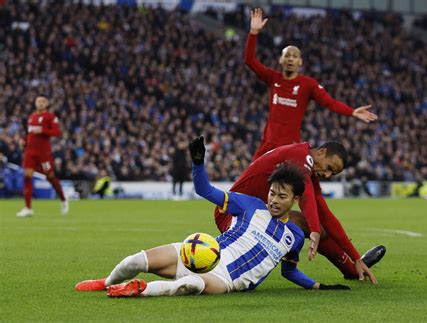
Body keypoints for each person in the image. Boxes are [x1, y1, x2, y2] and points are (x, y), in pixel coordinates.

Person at [75, 136, 349, 297]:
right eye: (272, 194)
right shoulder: (250, 204)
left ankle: (140, 289)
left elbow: (290, 271)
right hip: (204, 253)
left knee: (190, 284)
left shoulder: (295, 237)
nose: (274, 200)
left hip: (226, 279)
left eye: (281, 197)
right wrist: (198, 164)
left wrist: (318, 286)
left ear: (294, 200)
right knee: (135, 259)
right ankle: (106, 282)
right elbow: (204, 190)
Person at [214, 141, 384, 283]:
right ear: (321, 152)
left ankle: (354, 268)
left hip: (254, 216)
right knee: (309, 225)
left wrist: (356, 257)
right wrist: (315, 231)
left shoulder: (306, 165)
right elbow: (306, 197)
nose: (327, 174)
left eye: (333, 173)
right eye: (329, 167)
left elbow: (325, 215)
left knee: (319, 226)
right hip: (232, 214)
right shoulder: (301, 156)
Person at [245, 8, 378, 160]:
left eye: (294, 56)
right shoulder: (273, 78)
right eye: (287, 55)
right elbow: (250, 60)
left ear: (300, 62)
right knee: (249, 182)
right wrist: (253, 33)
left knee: (295, 182)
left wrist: (352, 111)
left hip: (290, 147)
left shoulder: (308, 84)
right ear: (281, 60)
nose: (290, 59)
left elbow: (329, 103)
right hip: (268, 145)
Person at [16, 95, 68, 217]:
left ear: (47, 103)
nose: (40, 103)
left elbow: (56, 132)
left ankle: (63, 199)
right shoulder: (32, 117)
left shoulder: (51, 117)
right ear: (35, 103)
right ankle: (28, 208)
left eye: (43, 101)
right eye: (38, 101)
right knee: (27, 176)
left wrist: (43, 130)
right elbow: (30, 134)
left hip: (43, 153)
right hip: (30, 152)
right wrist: (23, 140)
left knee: (50, 176)